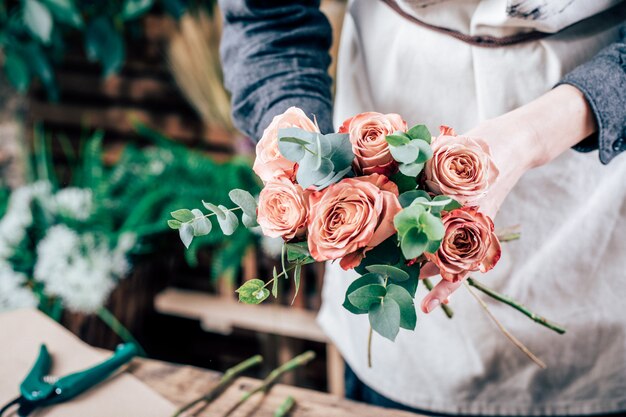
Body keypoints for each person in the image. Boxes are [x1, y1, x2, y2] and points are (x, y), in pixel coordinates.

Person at [218, 0, 626, 415]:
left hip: (589, 169)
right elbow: (268, 14)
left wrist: (530, 138)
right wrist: (303, 157)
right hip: (390, 85)